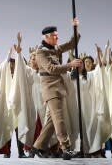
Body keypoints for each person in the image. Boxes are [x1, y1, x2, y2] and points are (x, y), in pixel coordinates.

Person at [32, 19, 83, 160]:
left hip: (58, 88)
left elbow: (72, 43)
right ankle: (66, 148)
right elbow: (51, 69)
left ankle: (37, 147)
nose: (57, 37)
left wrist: (75, 28)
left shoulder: (55, 49)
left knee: (51, 122)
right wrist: (70, 65)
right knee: (59, 120)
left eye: (57, 35)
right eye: (54, 35)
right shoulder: (41, 52)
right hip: (51, 89)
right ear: (46, 37)